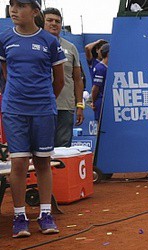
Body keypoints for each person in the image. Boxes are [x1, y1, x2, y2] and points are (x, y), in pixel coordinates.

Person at [1, 0, 66, 238]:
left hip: (43, 110)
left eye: (20, 6)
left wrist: (44, 100)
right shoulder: (5, 39)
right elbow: (7, 75)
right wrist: (18, 96)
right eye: (11, 5)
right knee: (18, 163)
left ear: (35, 11)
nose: (14, 10)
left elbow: (59, 81)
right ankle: (20, 217)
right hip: (15, 110)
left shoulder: (49, 41)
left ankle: (45, 214)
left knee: (42, 162)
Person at [43, 7, 84, 148]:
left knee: (63, 148)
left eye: (57, 21)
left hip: (65, 105)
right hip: (40, 105)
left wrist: (79, 105)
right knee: (41, 147)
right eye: (49, 20)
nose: (54, 24)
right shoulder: (34, 44)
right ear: (41, 22)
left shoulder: (71, 48)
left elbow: (78, 79)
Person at [91, 43, 109, 124]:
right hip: (101, 102)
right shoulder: (100, 68)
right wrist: (93, 102)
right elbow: (96, 88)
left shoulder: (110, 67)